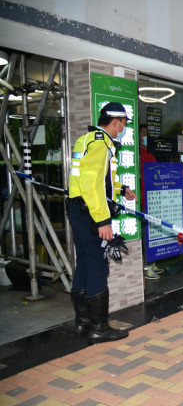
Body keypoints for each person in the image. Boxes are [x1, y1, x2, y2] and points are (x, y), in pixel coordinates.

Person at [67, 102, 137, 343]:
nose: (124, 128)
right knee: (97, 265)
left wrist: (123, 188)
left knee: (85, 264)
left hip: (78, 209)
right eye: (124, 123)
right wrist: (102, 220)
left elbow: (101, 180)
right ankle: (99, 328)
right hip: (89, 213)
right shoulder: (100, 143)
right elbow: (92, 184)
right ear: (115, 121)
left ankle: (82, 323)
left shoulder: (88, 139)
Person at [138, 124, 162, 280]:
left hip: (152, 199)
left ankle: (151, 263)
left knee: (152, 234)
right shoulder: (137, 154)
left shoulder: (146, 151)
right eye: (144, 133)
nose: (146, 136)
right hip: (142, 201)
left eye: (147, 133)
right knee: (145, 235)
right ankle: (146, 266)